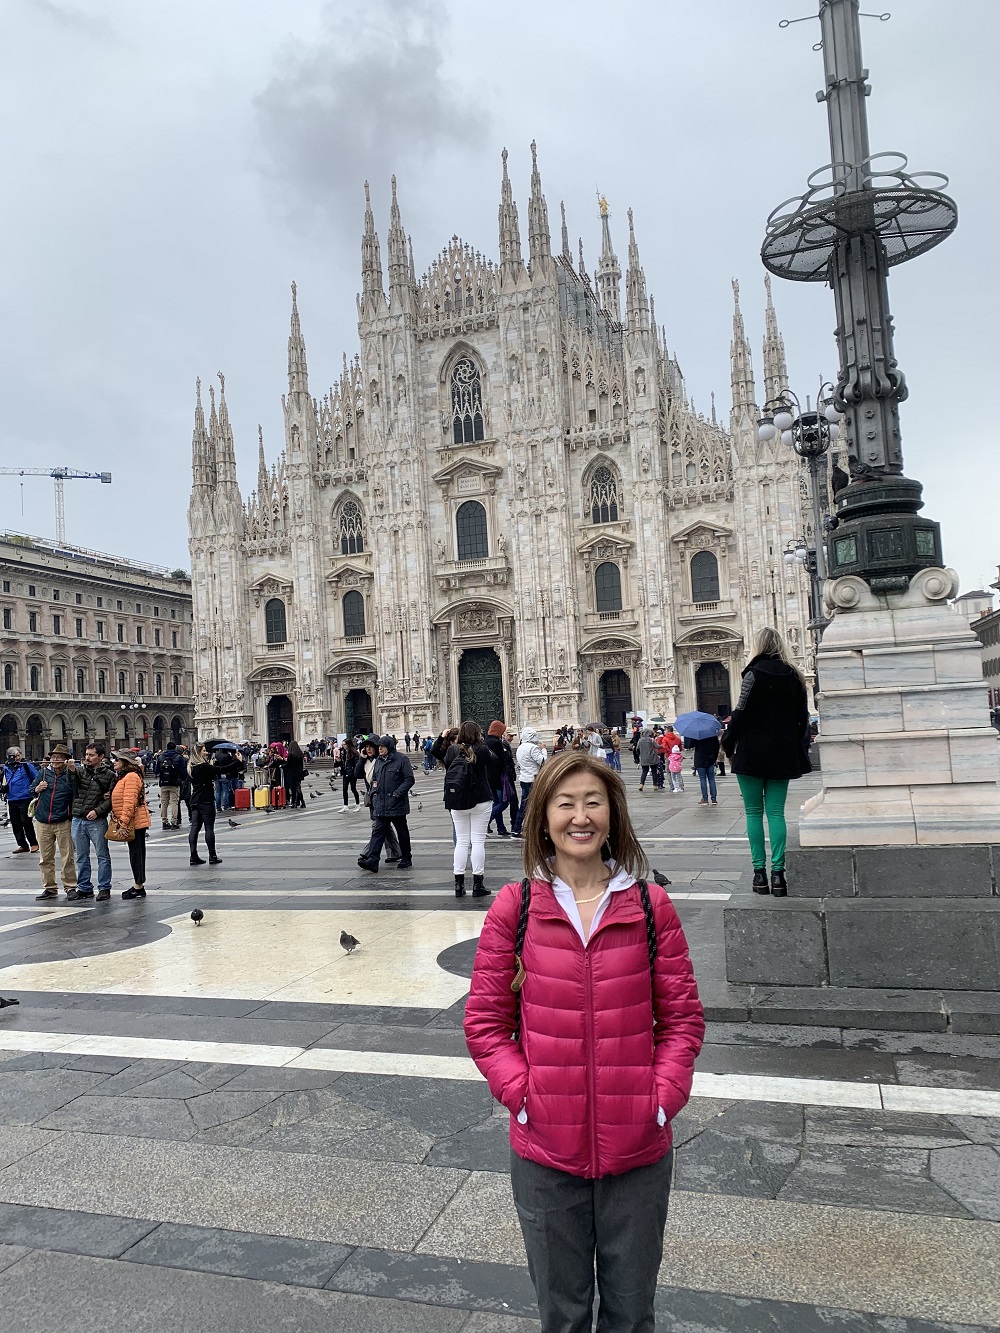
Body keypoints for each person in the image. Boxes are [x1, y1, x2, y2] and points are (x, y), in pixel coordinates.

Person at [464, 752, 705, 1333]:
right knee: (562, 1313)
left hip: (637, 1147)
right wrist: (523, 1093)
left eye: (592, 802)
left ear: (612, 815)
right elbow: (485, 1023)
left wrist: (661, 1097)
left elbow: (683, 1021)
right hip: (546, 1146)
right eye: (565, 803)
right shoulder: (515, 907)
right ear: (542, 815)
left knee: (630, 1312)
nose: (580, 816)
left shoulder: (650, 906)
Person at [722, 626, 811, 896]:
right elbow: (802, 717)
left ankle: (759, 875)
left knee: (753, 812)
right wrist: (794, 746)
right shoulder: (795, 676)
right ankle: (779, 875)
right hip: (782, 754)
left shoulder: (753, 673)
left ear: (758, 646)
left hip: (751, 752)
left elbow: (742, 712)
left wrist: (727, 742)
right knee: (776, 813)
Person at [444, 720, 494, 898]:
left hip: (458, 801)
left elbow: (444, 760)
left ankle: (459, 885)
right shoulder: (481, 750)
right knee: (478, 841)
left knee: (462, 842)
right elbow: (494, 760)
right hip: (481, 799)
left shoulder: (452, 750)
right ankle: (478, 884)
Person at [67, 741, 116, 901]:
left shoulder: (109, 775)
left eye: (91, 755)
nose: (87, 758)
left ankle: (104, 888)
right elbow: (72, 788)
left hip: (97, 820)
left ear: (101, 757)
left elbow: (111, 799)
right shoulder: (80, 771)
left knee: (102, 855)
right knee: (81, 856)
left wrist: (97, 811)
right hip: (78, 819)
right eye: (86, 754)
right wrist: (72, 772)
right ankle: (85, 887)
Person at [357, 735, 413, 873]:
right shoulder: (379, 761)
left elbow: (409, 779)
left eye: (382, 747)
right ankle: (373, 860)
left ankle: (406, 857)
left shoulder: (401, 759)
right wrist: (374, 793)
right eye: (379, 747)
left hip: (396, 803)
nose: (379, 749)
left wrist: (397, 794)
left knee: (402, 832)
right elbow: (375, 779)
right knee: (378, 832)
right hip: (381, 803)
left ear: (389, 747)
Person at [31, 743, 77, 900]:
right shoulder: (43, 773)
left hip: (63, 820)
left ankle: (70, 886)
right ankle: (50, 887)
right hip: (43, 820)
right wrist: (37, 789)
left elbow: (77, 792)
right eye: (53, 757)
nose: (55, 760)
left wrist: (72, 772)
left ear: (66, 760)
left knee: (67, 856)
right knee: (45, 858)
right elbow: (31, 790)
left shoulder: (70, 774)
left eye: (59, 757)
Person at [111, 751, 151, 899]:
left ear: (125, 762)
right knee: (136, 853)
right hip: (134, 821)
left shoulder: (132, 777)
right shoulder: (125, 777)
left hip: (135, 822)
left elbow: (129, 802)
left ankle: (139, 886)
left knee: (137, 854)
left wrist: (123, 823)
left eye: (117, 759)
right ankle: (138, 884)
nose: (114, 761)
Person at [356, 737, 401, 863]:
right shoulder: (366, 761)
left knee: (378, 827)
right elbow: (357, 774)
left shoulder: (381, 761)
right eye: (366, 747)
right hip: (372, 799)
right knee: (384, 827)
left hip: (383, 798)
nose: (368, 749)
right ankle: (395, 852)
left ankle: (367, 853)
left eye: (371, 746)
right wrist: (361, 758)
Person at [188, 744, 222, 866]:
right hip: (206, 800)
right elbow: (220, 770)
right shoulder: (203, 767)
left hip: (195, 801)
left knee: (194, 829)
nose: (206, 752)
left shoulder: (191, 767)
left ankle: (193, 855)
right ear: (198, 753)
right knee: (209, 828)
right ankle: (212, 855)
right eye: (204, 751)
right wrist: (237, 762)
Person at [2, 746, 39, 855]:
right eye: (15, 756)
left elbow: (36, 778)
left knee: (26, 822)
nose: (17, 758)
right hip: (12, 799)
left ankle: (33, 843)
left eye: (19, 755)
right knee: (15, 823)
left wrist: (33, 791)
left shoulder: (26, 766)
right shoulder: (6, 768)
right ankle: (22, 844)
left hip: (25, 798)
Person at [485, 720, 517, 838]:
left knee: (497, 802)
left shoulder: (486, 741)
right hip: (498, 778)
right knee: (504, 803)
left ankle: (501, 828)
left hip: (489, 778)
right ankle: (485, 822)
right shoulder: (496, 743)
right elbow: (501, 761)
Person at [511, 727, 546, 837]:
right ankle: (532, 828)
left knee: (525, 804)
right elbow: (542, 761)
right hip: (533, 779)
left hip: (524, 779)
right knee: (534, 804)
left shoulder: (520, 747)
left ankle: (517, 828)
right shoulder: (533, 748)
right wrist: (544, 750)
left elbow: (518, 764)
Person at [154, 742, 186, 830]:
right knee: (174, 803)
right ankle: (174, 822)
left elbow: (156, 771)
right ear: (175, 748)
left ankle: (164, 822)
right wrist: (182, 779)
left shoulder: (161, 757)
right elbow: (183, 771)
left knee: (164, 803)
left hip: (163, 783)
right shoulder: (179, 757)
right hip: (175, 784)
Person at [688, 733, 720, 805]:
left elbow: (690, 745)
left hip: (700, 759)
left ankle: (705, 799)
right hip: (710, 759)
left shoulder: (697, 734)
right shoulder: (712, 734)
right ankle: (714, 799)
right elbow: (717, 747)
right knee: (711, 779)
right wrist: (714, 757)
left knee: (702, 779)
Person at [340, 736, 361, 811]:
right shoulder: (344, 752)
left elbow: (356, 763)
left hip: (351, 773)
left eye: (344, 744)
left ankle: (358, 804)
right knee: (344, 789)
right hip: (345, 772)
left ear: (348, 744)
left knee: (353, 788)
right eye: (342, 744)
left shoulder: (354, 752)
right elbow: (344, 763)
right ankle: (345, 806)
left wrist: (353, 771)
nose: (343, 746)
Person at [285, 740, 307, 809]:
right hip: (299, 773)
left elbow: (288, 765)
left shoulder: (291, 754)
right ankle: (300, 802)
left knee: (293, 789)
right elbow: (301, 764)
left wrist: (282, 766)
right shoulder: (300, 754)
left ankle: (294, 803)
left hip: (292, 773)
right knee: (298, 787)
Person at [636, 727, 659, 792]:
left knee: (644, 772)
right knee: (654, 772)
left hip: (644, 758)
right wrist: (662, 745)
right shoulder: (651, 740)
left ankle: (641, 785)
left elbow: (637, 749)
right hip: (652, 758)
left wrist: (641, 754)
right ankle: (655, 785)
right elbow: (657, 746)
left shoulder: (640, 740)